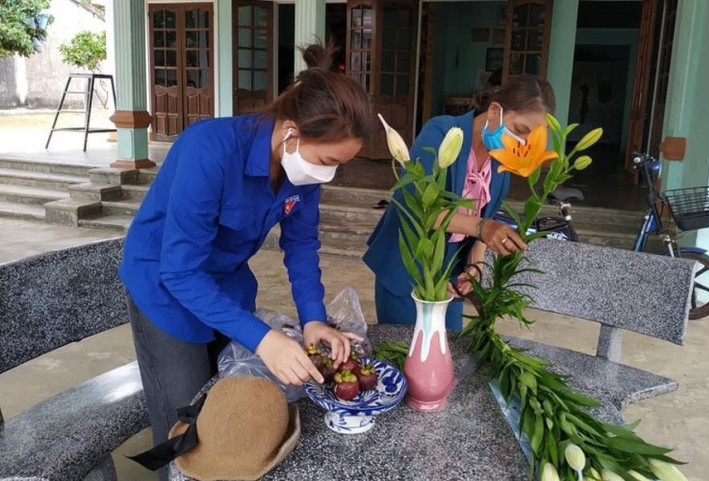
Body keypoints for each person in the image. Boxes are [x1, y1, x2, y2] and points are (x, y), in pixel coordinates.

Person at [119, 43, 370, 481]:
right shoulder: (210, 150)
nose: (327, 175)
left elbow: (302, 248)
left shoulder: (299, 173)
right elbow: (179, 271)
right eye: (328, 161)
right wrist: (264, 338)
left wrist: (314, 320)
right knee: (183, 419)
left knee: (233, 404)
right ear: (292, 131)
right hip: (164, 288)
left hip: (226, 287)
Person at [364, 74, 556, 330]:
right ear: (495, 111)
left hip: (449, 273)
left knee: (449, 353)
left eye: (531, 139)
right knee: (403, 354)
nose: (522, 144)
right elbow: (421, 208)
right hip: (407, 264)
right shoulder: (443, 132)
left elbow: (486, 221)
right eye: (521, 131)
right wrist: (482, 227)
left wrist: (474, 265)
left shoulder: (501, 161)